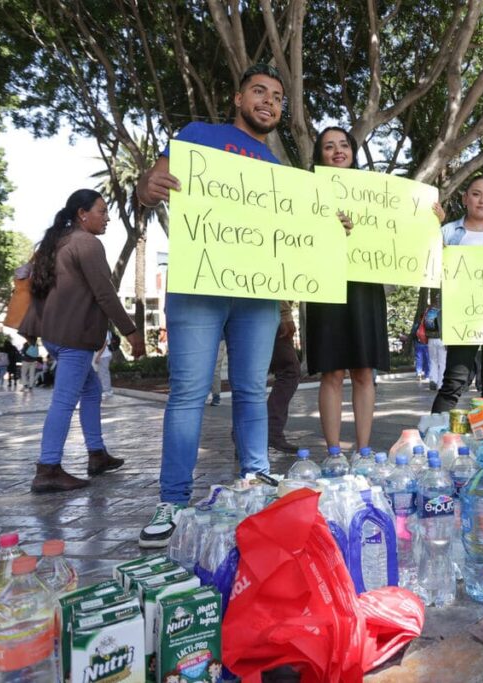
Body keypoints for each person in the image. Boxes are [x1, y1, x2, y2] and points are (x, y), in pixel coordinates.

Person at [135, 64, 287, 548]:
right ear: (238, 98)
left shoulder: (282, 170)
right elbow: (151, 183)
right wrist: (146, 187)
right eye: (259, 91)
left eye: (278, 97)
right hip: (199, 285)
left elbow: (297, 235)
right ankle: (173, 500)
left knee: (250, 390)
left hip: (258, 293)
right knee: (188, 392)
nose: (269, 101)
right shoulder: (198, 135)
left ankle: (256, 479)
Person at [19, 189, 145, 493]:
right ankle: (48, 468)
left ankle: (97, 454)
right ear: (82, 213)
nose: (107, 218)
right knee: (64, 401)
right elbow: (104, 293)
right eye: (102, 211)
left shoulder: (56, 243)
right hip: (74, 336)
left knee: (92, 389)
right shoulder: (87, 243)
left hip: (54, 334)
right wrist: (131, 332)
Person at [303, 127, 391, 453]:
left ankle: (364, 450)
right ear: (319, 155)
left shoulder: (376, 191)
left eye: (344, 145)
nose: (338, 151)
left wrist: (429, 219)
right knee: (332, 372)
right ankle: (333, 452)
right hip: (325, 286)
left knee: (364, 370)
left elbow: (401, 230)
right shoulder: (306, 190)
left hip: (365, 287)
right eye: (329, 146)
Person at [431, 175, 483, 412]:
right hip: (462, 317)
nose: (482, 201)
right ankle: (435, 435)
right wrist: (433, 227)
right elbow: (431, 265)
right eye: (477, 194)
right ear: (465, 198)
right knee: (454, 381)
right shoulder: (447, 232)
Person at [267, 301, 301, 453]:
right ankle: (270, 431)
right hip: (267, 309)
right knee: (289, 370)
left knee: (249, 377)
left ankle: (246, 436)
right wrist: (285, 314)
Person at [94, 329, 113, 397]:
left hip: (104, 355)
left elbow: (104, 344)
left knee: (104, 374)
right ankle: (104, 390)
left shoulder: (104, 331)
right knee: (100, 374)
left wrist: (98, 356)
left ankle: (107, 391)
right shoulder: (99, 330)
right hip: (101, 356)